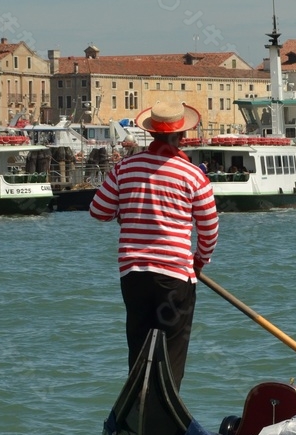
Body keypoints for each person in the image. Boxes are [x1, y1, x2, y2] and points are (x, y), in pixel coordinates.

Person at [90, 99, 218, 387]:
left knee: (139, 349)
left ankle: (137, 408)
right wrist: (199, 261)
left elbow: (99, 211)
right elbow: (209, 229)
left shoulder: (125, 168)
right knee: (171, 356)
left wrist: (124, 212)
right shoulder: (193, 176)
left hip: (133, 274)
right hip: (175, 276)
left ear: (151, 133)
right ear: (181, 136)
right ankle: (163, 417)